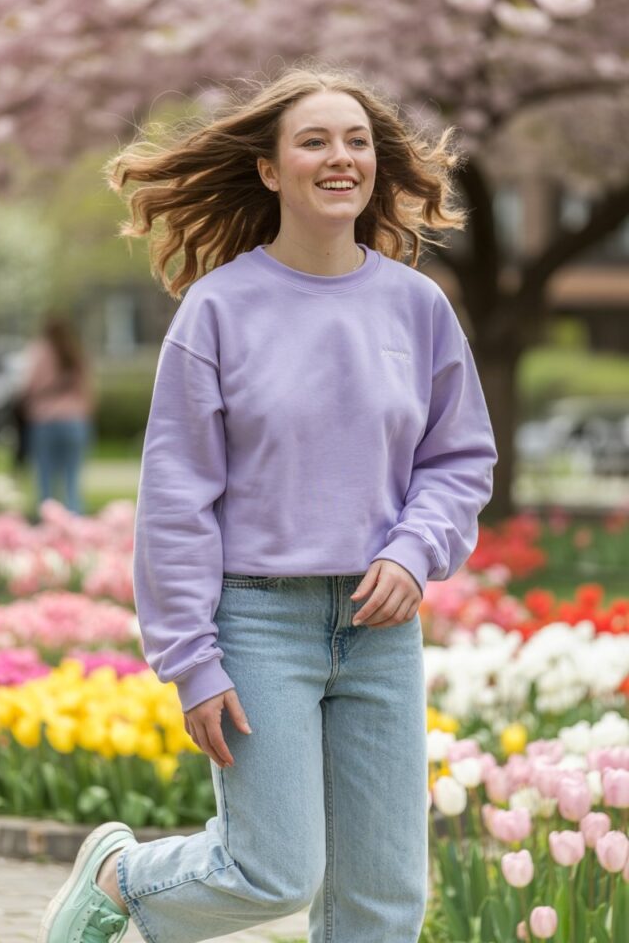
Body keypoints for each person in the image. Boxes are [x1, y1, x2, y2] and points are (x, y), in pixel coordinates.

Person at [38, 61, 498, 943]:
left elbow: (459, 458)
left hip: (380, 628)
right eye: (315, 141)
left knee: (383, 901)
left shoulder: (418, 308)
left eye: (357, 141)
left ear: (376, 164)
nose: (341, 159)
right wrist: (190, 659)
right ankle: (119, 874)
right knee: (271, 873)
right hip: (258, 623)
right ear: (270, 168)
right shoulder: (217, 311)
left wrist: (413, 549)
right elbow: (175, 501)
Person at [19, 314, 95, 516]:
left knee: (45, 476)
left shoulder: (39, 350)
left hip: (44, 419)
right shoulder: (74, 350)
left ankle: (48, 520)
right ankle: (74, 520)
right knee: (72, 478)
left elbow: (29, 385)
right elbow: (87, 389)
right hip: (74, 420)